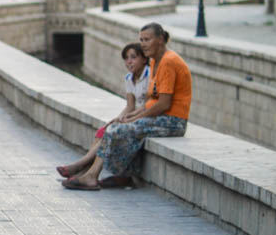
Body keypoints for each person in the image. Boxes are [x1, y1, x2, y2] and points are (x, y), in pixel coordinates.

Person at [62, 23, 191, 191]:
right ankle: (117, 175)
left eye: (147, 39)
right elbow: (152, 101)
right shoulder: (154, 62)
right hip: (160, 117)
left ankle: (91, 175)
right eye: (141, 40)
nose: (143, 44)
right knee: (117, 126)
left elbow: (164, 104)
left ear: (160, 40)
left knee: (119, 130)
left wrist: (136, 118)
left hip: (173, 121)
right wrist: (132, 115)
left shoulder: (168, 61)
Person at [56, 43, 149, 183]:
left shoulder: (149, 75)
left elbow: (147, 106)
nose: (129, 61)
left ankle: (79, 166)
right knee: (103, 130)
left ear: (144, 59)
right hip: (132, 116)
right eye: (126, 58)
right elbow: (130, 105)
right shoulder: (129, 78)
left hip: (142, 117)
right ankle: (84, 171)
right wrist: (118, 118)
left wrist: (128, 118)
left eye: (133, 57)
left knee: (110, 133)